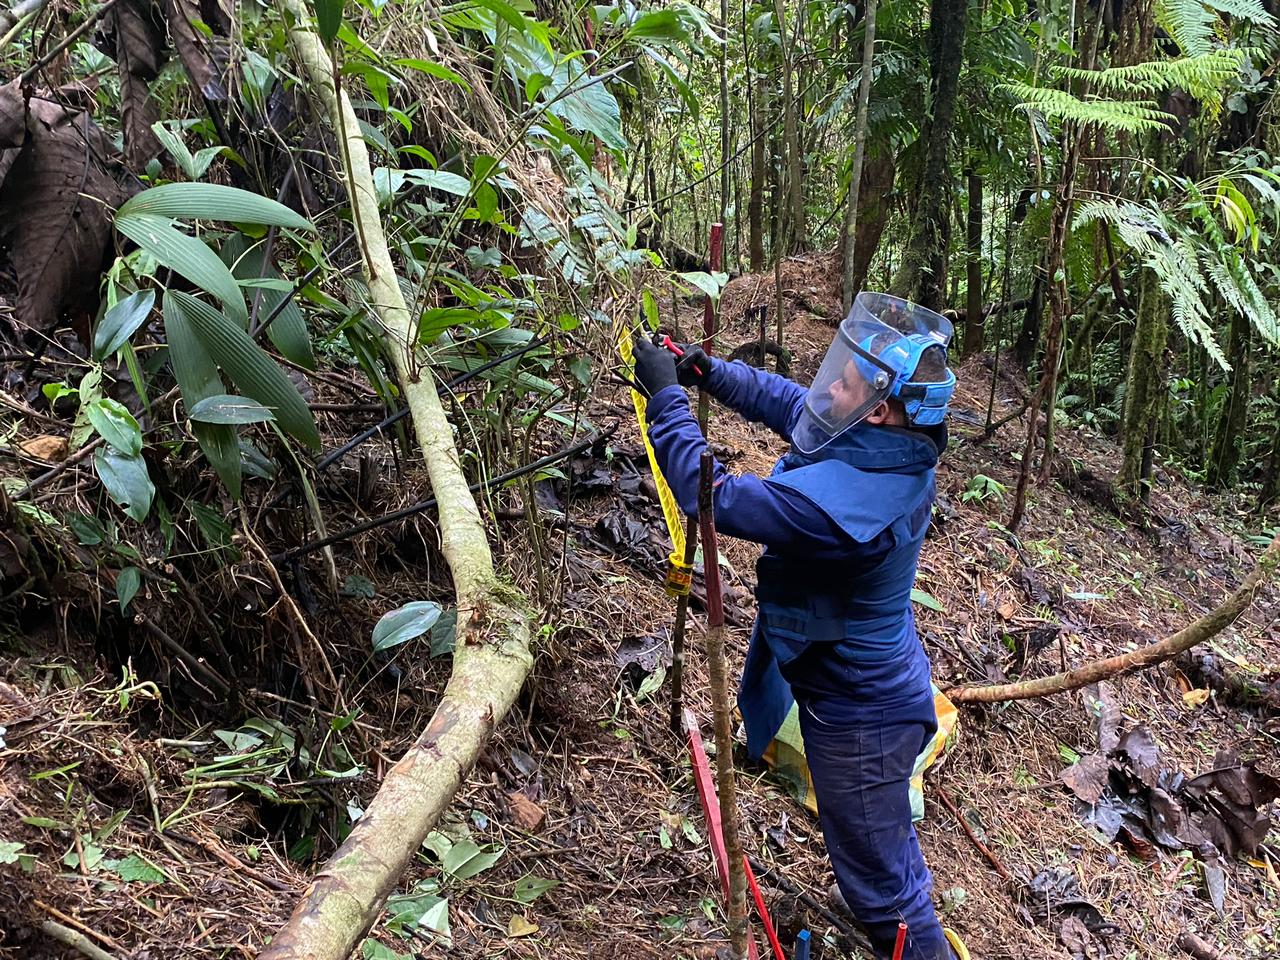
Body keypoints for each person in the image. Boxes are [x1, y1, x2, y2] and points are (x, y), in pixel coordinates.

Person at [630, 292, 964, 960]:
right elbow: (796, 406)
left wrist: (666, 399)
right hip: (863, 693)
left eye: (850, 378)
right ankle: (885, 906)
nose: (831, 381)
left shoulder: (853, 509)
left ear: (882, 407)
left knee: (884, 888)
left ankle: (907, 936)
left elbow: (716, 497)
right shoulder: (887, 443)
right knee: (877, 854)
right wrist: (711, 373)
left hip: (863, 717)